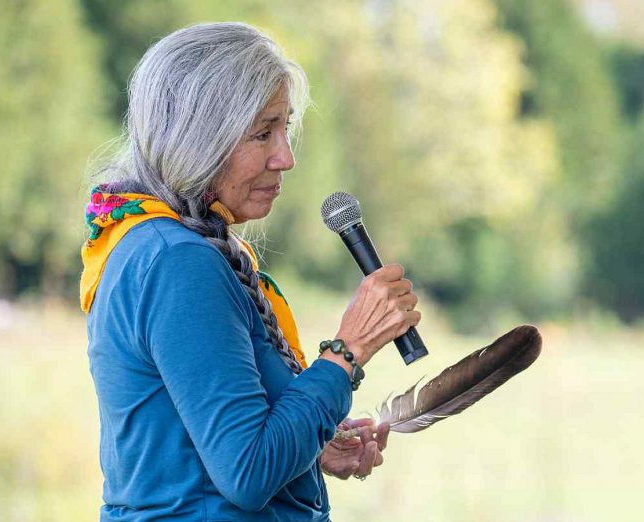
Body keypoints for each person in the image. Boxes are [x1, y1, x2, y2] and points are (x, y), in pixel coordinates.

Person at [80, 22, 421, 521]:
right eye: (264, 132)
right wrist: (348, 350)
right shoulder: (179, 262)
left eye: (285, 128)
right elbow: (246, 472)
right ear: (199, 136)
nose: (286, 157)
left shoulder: (159, 246)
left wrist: (312, 444)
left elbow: (209, 443)